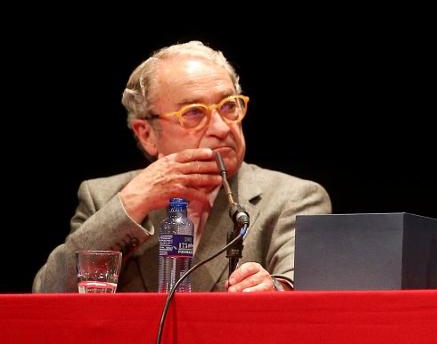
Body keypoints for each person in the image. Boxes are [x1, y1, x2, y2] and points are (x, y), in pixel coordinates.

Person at [33, 41, 330, 293]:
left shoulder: (293, 197)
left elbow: (302, 293)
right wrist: (133, 204)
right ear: (146, 134)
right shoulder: (104, 196)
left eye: (229, 106)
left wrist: (272, 290)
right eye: (194, 112)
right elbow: (47, 296)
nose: (221, 127)